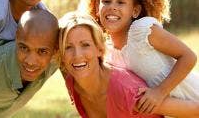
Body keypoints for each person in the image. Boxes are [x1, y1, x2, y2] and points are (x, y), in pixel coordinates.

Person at [78, 0, 198, 115]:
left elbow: (189, 56)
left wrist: (159, 92)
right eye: (106, 1)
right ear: (97, 7)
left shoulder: (142, 31)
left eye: (121, 2)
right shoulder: (108, 52)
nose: (112, 7)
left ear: (135, 10)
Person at [58, 11, 199, 118]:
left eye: (85, 45)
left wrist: (160, 92)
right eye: (68, 47)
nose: (77, 55)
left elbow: (196, 109)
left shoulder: (126, 90)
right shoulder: (73, 83)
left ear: (100, 49)